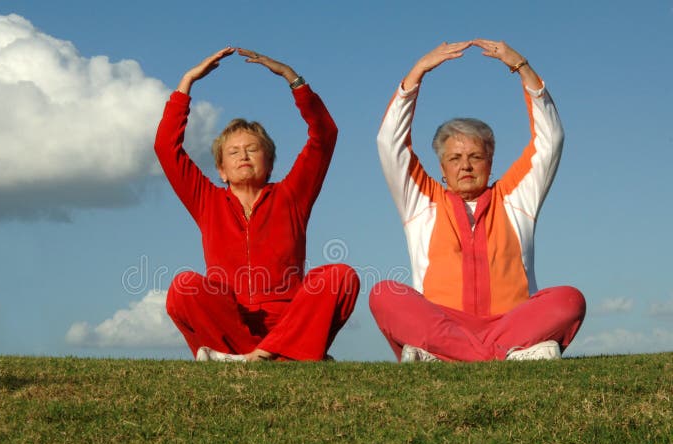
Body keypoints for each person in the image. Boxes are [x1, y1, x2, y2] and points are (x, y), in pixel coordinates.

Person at [370, 39, 586, 362]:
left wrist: (522, 66)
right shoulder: (422, 200)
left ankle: (446, 356)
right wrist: (417, 73)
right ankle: (508, 355)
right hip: (443, 322)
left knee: (570, 300)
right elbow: (390, 143)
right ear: (442, 167)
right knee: (383, 294)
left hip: (509, 322)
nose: (466, 166)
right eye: (455, 158)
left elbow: (549, 140)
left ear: (490, 161)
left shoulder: (515, 196)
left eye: (475, 156)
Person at [155, 47, 359, 362]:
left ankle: (270, 353)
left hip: (289, 320)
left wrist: (293, 79)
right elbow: (167, 149)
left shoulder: (293, 194)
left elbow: (324, 135)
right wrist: (187, 82)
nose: (244, 156)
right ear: (221, 170)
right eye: (233, 152)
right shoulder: (207, 200)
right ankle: (274, 357)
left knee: (341, 276)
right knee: (184, 287)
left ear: (270, 162)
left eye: (252, 149)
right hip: (231, 322)